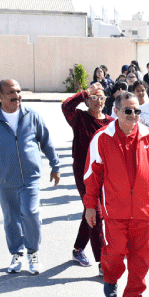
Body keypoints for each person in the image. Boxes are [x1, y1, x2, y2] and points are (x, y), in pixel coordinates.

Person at [83, 91, 149, 297]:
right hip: (115, 210)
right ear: (115, 111)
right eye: (128, 111)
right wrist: (90, 205)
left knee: (141, 258)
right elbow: (91, 175)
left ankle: (133, 296)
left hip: (143, 210)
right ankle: (110, 277)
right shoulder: (102, 138)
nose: (133, 115)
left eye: (137, 111)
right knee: (114, 253)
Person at [0, 80, 61, 275]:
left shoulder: (31, 115)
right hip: (5, 179)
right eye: (11, 92)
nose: (16, 96)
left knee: (30, 214)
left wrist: (55, 165)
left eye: (18, 91)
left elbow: (46, 141)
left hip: (30, 177)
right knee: (11, 219)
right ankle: (17, 253)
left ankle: (33, 252)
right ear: (0, 95)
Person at [62, 83, 114, 271]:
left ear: (105, 100)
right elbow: (66, 106)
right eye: (93, 97)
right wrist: (86, 91)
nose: (97, 101)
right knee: (96, 213)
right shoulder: (80, 118)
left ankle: (78, 249)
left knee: (90, 211)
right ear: (87, 100)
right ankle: (102, 262)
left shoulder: (110, 122)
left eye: (101, 97)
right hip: (83, 172)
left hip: (104, 173)